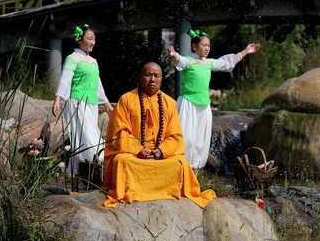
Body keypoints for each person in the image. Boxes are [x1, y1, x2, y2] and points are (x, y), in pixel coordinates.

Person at [102, 62, 215, 208]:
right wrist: (138, 150)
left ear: (161, 79)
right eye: (148, 75)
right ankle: (133, 191)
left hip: (160, 156)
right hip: (134, 155)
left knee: (181, 164)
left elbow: (175, 137)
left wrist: (161, 151)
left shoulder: (169, 103)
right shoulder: (126, 100)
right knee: (121, 161)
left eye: (156, 76)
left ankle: (158, 190)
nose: (152, 79)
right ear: (140, 77)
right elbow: (119, 132)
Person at [167, 29, 261, 169]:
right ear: (194, 47)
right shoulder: (189, 62)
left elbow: (228, 62)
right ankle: (180, 167)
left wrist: (246, 51)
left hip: (204, 106)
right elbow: (179, 60)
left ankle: (195, 169)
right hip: (188, 104)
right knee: (187, 138)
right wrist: (173, 54)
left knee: (200, 140)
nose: (207, 48)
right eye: (204, 45)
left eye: (209, 46)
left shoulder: (209, 63)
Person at [52, 24, 113, 174]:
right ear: (80, 40)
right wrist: (58, 98)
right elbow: (65, 79)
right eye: (90, 38)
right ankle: (103, 160)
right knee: (89, 134)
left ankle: (76, 171)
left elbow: (97, 84)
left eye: (94, 39)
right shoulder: (72, 58)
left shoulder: (93, 61)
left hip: (91, 104)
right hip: (77, 103)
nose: (93, 42)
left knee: (82, 137)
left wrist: (106, 104)